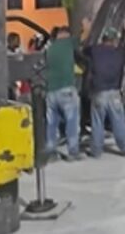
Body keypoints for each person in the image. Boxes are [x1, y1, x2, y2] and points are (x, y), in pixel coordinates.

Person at [83, 26, 125, 157]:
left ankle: (96, 150)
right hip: (115, 91)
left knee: (97, 122)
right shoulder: (120, 52)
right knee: (119, 121)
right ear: (114, 40)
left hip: (98, 91)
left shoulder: (94, 50)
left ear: (103, 39)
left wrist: (87, 29)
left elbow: (84, 49)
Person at [45, 26, 82, 160]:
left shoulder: (50, 49)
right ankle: (73, 151)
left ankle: (51, 152)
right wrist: (86, 26)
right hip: (66, 90)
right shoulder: (68, 43)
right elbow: (84, 37)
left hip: (50, 91)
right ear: (66, 34)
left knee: (51, 124)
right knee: (72, 121)